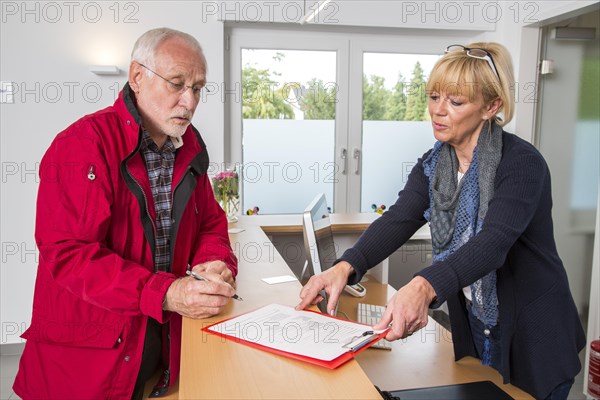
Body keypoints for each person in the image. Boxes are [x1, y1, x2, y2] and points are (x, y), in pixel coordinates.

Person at [297, 42, 586, 399]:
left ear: (491, 106)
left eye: (455, 101)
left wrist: (422, 287)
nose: (438, 110)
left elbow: (492, 244)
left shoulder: (521, 164)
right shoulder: (435, 164)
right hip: (480, 329)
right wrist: (345, 266)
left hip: (535, 338)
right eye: (434, 97)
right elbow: (399, 219)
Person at [13, 28, 238, 400]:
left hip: (156, 347)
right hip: (87, 364)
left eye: (198, 88)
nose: (190, 101)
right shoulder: (82, 145)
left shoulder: (189, 147)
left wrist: (212, 261)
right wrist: (165, 292)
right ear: (137, 77)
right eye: (177, 84)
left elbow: (210, 221)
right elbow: (69, 254)